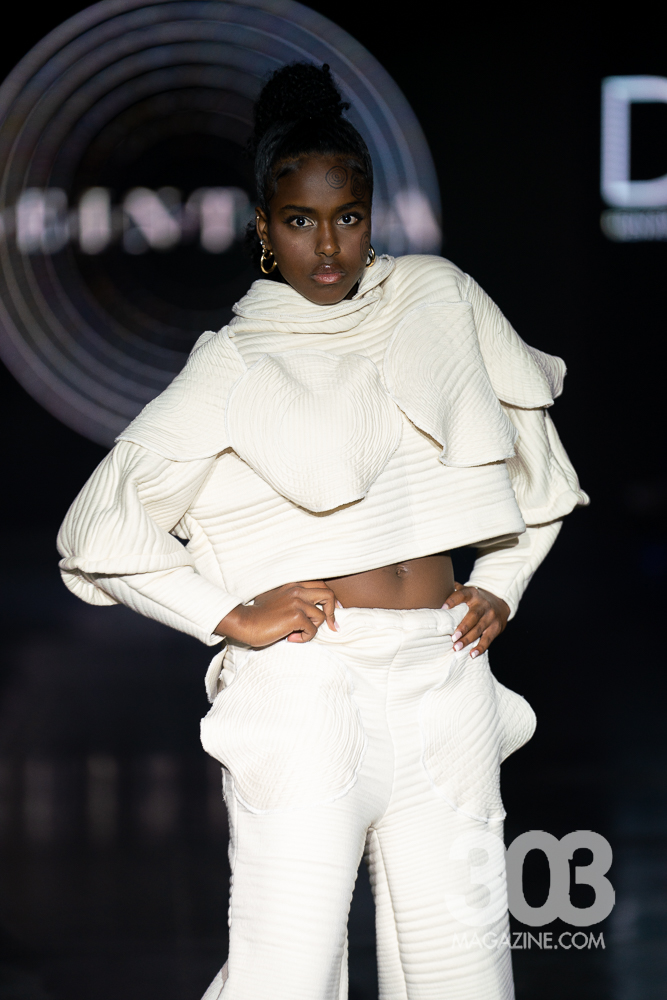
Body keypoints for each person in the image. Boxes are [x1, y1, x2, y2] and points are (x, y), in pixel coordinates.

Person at [57, 63, 588, 1000]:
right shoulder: (236, 359)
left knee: (468, 978)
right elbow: (99, 527)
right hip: (311, 689)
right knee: (287, 977)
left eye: (347, 216)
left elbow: (539, 470)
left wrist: (503, 581)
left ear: (372, 215)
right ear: (264, 229)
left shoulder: (437, 299)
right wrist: (229, 614)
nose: (328, 244)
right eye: (300, 221)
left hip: (447, 674)